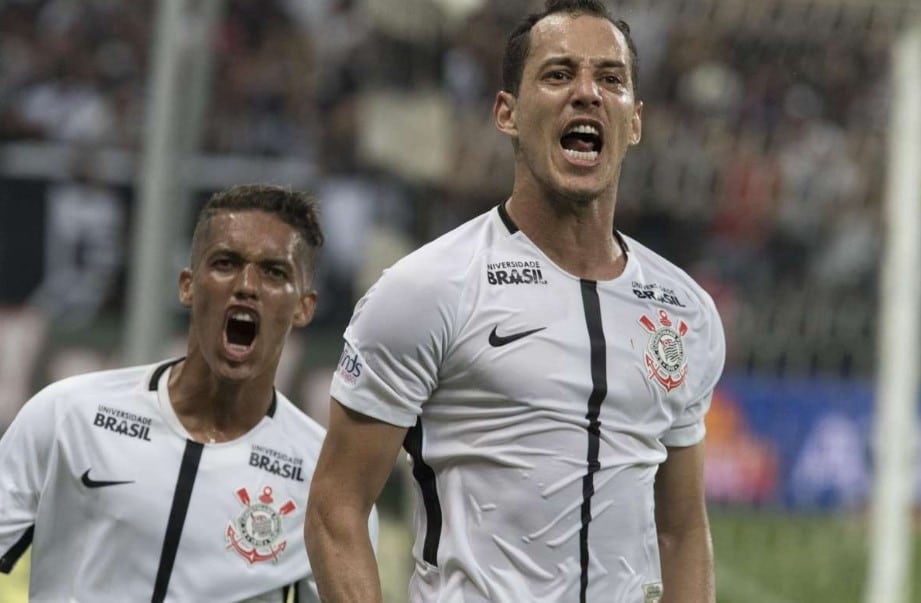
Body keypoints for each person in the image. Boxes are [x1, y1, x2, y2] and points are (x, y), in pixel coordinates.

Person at [305, 1, 725, 602]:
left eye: (611, 78)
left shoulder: (685, 311)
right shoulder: (429, 287)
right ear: (507, 113)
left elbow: (681, 532)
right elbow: (335, 508)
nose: (587, 93)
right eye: (558, 75)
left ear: (634, 121)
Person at [0, 184, 376, 602]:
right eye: (225, 263)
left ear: (304, 307)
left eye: (274, 272)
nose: (247, 285)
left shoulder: (324, 479)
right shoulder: (69, 414)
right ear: (187, 286)